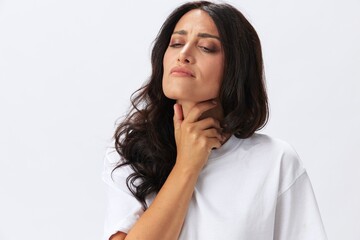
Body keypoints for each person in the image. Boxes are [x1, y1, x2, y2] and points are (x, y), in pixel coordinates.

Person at [102, 1, 327, 239]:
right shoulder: (130, 151)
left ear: (236, 68)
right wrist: (187, 166)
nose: (184, 54)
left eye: (207, 47)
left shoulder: (275, 160)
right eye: (176, 43)